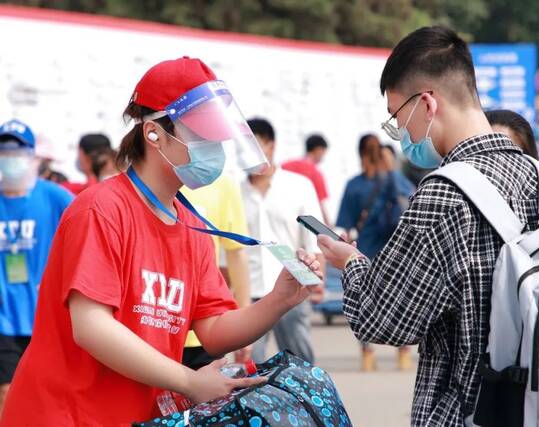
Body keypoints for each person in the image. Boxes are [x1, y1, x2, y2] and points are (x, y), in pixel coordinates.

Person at [0, 57, 321, 426]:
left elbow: (213, 330)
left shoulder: (191, 226)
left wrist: (279, 300)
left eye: (216, 136)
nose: (214, 147)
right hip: (65, 415)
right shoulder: (102, 209)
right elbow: (91, 327)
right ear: (153, 134)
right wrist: (189, 381)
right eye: (201, 134)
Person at [317, 26, 539, 426]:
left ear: (426, 103)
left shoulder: (442, 194)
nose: (401, 133)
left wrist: (352, 262)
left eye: (397, 117)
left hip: (469, 411)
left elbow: (382, 318)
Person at [0, 119, 73, 413]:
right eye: (4, 154)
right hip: (3, 316)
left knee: (45, 392)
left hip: (45, 315)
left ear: (32, 158)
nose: (10, 161)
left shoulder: (53, 197)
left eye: (17, 154)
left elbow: (89, 228)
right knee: (7, 391)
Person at [242, 118, 325, 364]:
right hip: (250, 292)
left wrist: (317, 280)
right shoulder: (235, 191)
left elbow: (313, 237)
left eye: (255, 147)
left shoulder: (298, 186)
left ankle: (306, 403)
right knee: (249, 366)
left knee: (299, 364)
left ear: (271, 146)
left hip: (292, 288)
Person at [337, 134, 415, 372]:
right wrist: (391, 169)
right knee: (400, 299)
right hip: (395, 250)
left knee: (364, 299)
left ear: (360, 154)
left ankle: (367, 353)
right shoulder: (395, 180)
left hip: (366, 250)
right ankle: (403, 352)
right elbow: (410, 201)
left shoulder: (355, 185)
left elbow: (345, 223)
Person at [181, 174, 253, 367]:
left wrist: (243, 324)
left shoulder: (222, 184)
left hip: (203, 330)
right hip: (150, 328)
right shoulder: (139, 180)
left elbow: (236, 253)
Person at [282, 134, 331, 224]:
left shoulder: (286, 165)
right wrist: (328, 226)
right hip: (305, 220)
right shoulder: (315, 173)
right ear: (318, 150)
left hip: (283, 214)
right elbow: (321, 204)